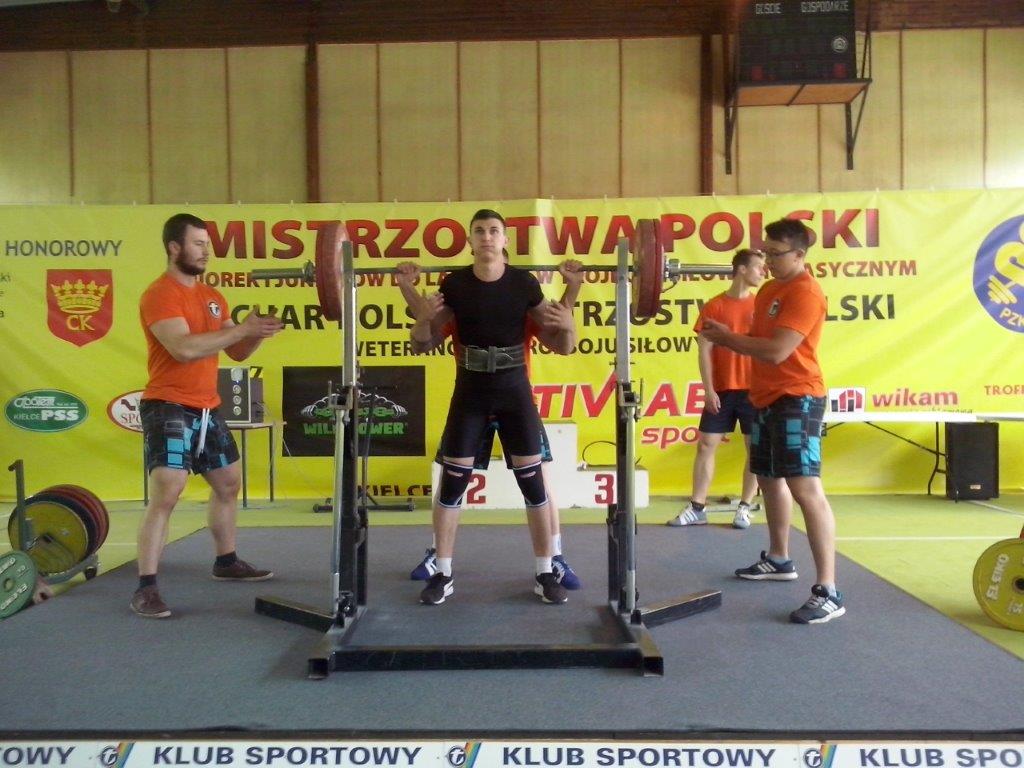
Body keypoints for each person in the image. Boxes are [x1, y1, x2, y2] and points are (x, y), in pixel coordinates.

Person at [402, 209, 576, 606]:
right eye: (479, 231)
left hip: (515, 391)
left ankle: (545, 572)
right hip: (471, 392)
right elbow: (422, 343)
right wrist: (417, 309)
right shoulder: (455, 284)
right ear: (470, 240)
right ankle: (443, 574)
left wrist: (570, 317)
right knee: (452, 484)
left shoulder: (524, 284)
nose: (486, 237)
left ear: (504, 240)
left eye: (494, 231)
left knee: (534, 484)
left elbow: (563, 344)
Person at [132, 213, 284, 618]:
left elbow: (236, 352)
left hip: (206, 406)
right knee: (168, 490)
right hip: (167, 403)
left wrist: (256, 334)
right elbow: (183, 348)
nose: (206, 252)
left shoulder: (213, 296)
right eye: (198, 244)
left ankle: (226, 561)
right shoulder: (160, 294)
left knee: (229, 483)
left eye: (207, 245)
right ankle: (146, 587)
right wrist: (240, 330)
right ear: (174, 247)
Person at [700, 218, 845, 624]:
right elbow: (758, 340)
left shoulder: (806, 293)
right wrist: (729, 333)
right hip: (763, 396)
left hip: (798, 396)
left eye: (776, 254)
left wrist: (728, 339)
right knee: (767, 478)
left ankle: (829, 590)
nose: (767, 261)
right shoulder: (767, 290)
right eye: (764, 252)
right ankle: (780, 559)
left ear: (799, 255)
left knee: (805, 488)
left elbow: (778, 350)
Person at [667, 248, 767, 530]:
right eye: (758, 267)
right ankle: (697, 507)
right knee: (706, 444)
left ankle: (745, 507)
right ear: (742, 269)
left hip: (754, 390)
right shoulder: (714, 306)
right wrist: (708, 390)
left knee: (754, 448)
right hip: (722, 390)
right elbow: (704, 351)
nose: (763, 272)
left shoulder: (760, 306)